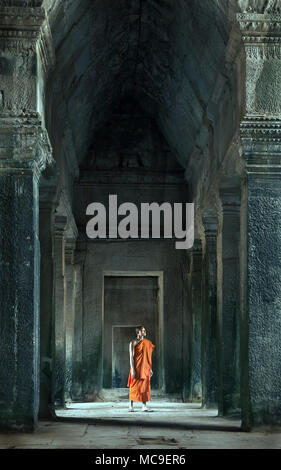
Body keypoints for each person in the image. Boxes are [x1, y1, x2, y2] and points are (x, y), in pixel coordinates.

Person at [127, 325, 155, 412]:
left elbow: (148, 357)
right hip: (136, 367)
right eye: (143, 330)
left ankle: (144, 406)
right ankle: (131, 405)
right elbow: (131, 357)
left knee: (145, 386)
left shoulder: (147, 342)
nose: (144, 332)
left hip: (145, 368)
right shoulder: (133, 343)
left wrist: (150, 369)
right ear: (138, 332)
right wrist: (133, 369)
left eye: (144, 330)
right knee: (134, 386)